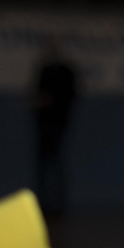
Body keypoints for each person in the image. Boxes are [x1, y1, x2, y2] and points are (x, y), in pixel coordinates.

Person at [32, 37, 78, 218]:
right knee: (42, 166)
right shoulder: (43, 70)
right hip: (42, 125)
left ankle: (59, 205)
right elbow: (36, 92)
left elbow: (71, 94)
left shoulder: (67, 72)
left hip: (59, 124)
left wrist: (53, 101)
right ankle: (43, 204)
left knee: (57, 165)